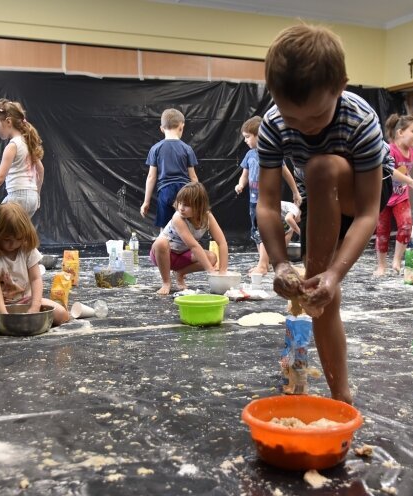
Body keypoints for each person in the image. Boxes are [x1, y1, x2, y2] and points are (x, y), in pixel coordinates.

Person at [255, 24, 393, 404]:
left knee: (320, 166)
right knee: (319, 295)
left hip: (363, 193)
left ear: (341, 86)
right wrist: (281, 264)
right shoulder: (272, 124)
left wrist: (337, 272)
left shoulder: (360, 120)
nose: (304, 128)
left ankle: (341, 397)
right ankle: (341, 400)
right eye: (292, 119)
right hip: (323, 196)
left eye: (315, 118)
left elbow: (367, 213)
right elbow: (266, 204)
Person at [0, 203, 69, 333]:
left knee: (62, 315)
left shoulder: (27, 250)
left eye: (18, 239)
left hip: (26, 300)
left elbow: (36, 279)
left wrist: (35, 307)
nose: (13, 244)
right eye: (7, 239)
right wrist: (2, 313)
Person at [234, 116, 302, 275]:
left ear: (260, 136)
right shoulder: (250, 155)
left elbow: (287, 174)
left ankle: (264, 265)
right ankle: (263, 262)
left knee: (267, 230)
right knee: (257, 233)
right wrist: (240, 184)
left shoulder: (273, 154)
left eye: (247, 137)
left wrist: (295, 191)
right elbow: (244, 174)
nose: (245, 141)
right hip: (254, 201)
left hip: (269, 202)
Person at [149, 182, 228, 295]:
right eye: (179, 203)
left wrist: (223, 271)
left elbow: (222, 242)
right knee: (161, 242)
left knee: (211, 258)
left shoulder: (207, 217)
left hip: (182, 256)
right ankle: (166, 282)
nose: (181, 208)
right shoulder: (178, 218)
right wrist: (210, 270)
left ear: (199, 206)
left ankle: (180, 273)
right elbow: (194, 246)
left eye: (186, 205)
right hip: (163, 255)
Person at [374, 114, 413, 276]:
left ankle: (396, 261)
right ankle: (381, 266)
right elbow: (391, 171)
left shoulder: (412, 153)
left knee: (406, 225)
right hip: (384, 196)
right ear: (401, 132)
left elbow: (404, 172)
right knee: (382, 232)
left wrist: (409, 182)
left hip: (401, 196)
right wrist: (410, 181)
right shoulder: (389, 149)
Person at [140, 108, 198, 229]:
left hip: (165, 191)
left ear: (161, 129)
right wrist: (198, 198)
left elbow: (151, 177)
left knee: (165, 228)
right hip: (184, 191)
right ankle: (184, 247)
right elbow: (193, 177)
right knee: (186, 226)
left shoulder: (155, 149)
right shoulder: (187, 149)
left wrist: (146, 202)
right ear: (181, 127)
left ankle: (164, 248)